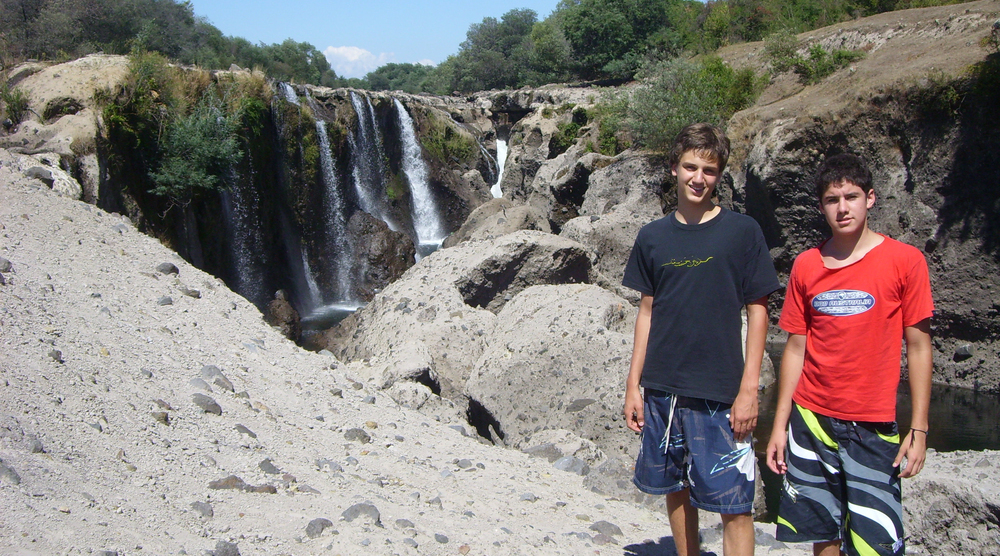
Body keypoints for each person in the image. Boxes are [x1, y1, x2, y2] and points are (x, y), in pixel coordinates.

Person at [623, 122, 780, 556]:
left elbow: (759, 311)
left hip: (722, 391)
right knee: (675, 487)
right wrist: (633, 385)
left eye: (709, 170)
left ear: (719, 175)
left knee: (735, 503)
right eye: (690, 167)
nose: (698, 178)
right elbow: (647, 313)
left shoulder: (743, 232)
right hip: (663, 389)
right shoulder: (652, 236)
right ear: (673, 168)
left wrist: (750, 389)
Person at [765, 153, 934, 556]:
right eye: (832, 199)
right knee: (821, 532)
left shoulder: (906, 261)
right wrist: (779, 426)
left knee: (875, 542)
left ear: (870, 198)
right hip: (811, 419)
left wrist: (921, 428)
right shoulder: (806, 265)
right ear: (821, 206)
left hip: (872, 424)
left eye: (851, 196)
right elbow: (795, 347)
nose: (842, 207)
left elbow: (920, 346)